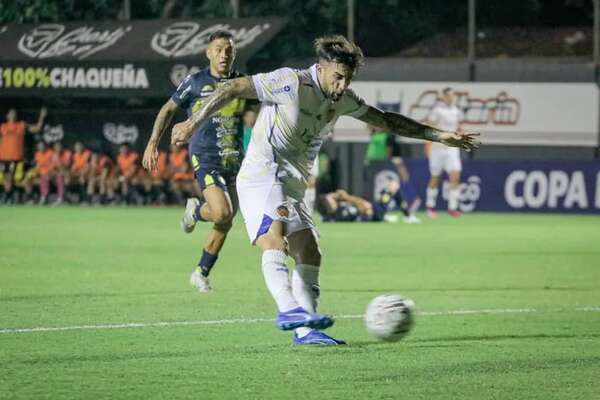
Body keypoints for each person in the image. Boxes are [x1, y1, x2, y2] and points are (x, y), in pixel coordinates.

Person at [171, 35, 479, 345]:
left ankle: (306, 332)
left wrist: (437, 136)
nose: (343, 85)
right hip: (263, 174)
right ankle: (288, 310)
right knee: (273, 239)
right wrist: (193, 122)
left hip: (292, 182)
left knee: (310, 250)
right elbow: (233, 87)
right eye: (338, 77)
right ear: (321, 68)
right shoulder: (289, 81)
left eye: (348, 78)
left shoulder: (342, 99)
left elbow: (386, 120)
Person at [143, 31, 246, 292]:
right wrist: (153, 141)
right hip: (206, 156)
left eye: (229, 50)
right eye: (219, 49)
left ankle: (201, 272)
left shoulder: (243, 83)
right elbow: (168, 109)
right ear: (208, 53)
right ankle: (196, 210)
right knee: (221, 211)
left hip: (234, 158)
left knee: (226, 220)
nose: (224, 54)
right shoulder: (196, 82)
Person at [425, 87, 464, 218]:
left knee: (455, 176)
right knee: (435, 177)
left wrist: (461, 137)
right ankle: (430, 206)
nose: (451, 98)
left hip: (452, 149)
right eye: (448, 96)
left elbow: (459, 128)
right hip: (438, 148)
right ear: (444, 97)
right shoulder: (437, 110)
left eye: (453, 95)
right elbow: (430, 126)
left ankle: (452, 207)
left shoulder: (457, 111)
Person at [0, 107, 47, 204]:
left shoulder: (21, 125)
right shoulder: (2, 127)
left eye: (14, 113)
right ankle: (7, 198)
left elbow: (37, 128)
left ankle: (29, 198)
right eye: (11, 113)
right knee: (7, 179)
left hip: (18, 158)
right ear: (7, 116)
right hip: (4, 158)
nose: (13, 115)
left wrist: (42, 116)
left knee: (22, 179)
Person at [316, 182, 405, 223]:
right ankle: (408, 215)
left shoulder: (328, 217)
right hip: (376, 212)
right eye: (330, 197)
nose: (333, 196)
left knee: (387, 191)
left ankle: (405, 215)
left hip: (372, 210)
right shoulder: (343, 211)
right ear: (329, 203)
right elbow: (366, 206)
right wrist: (347, 197)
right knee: (393, 187)